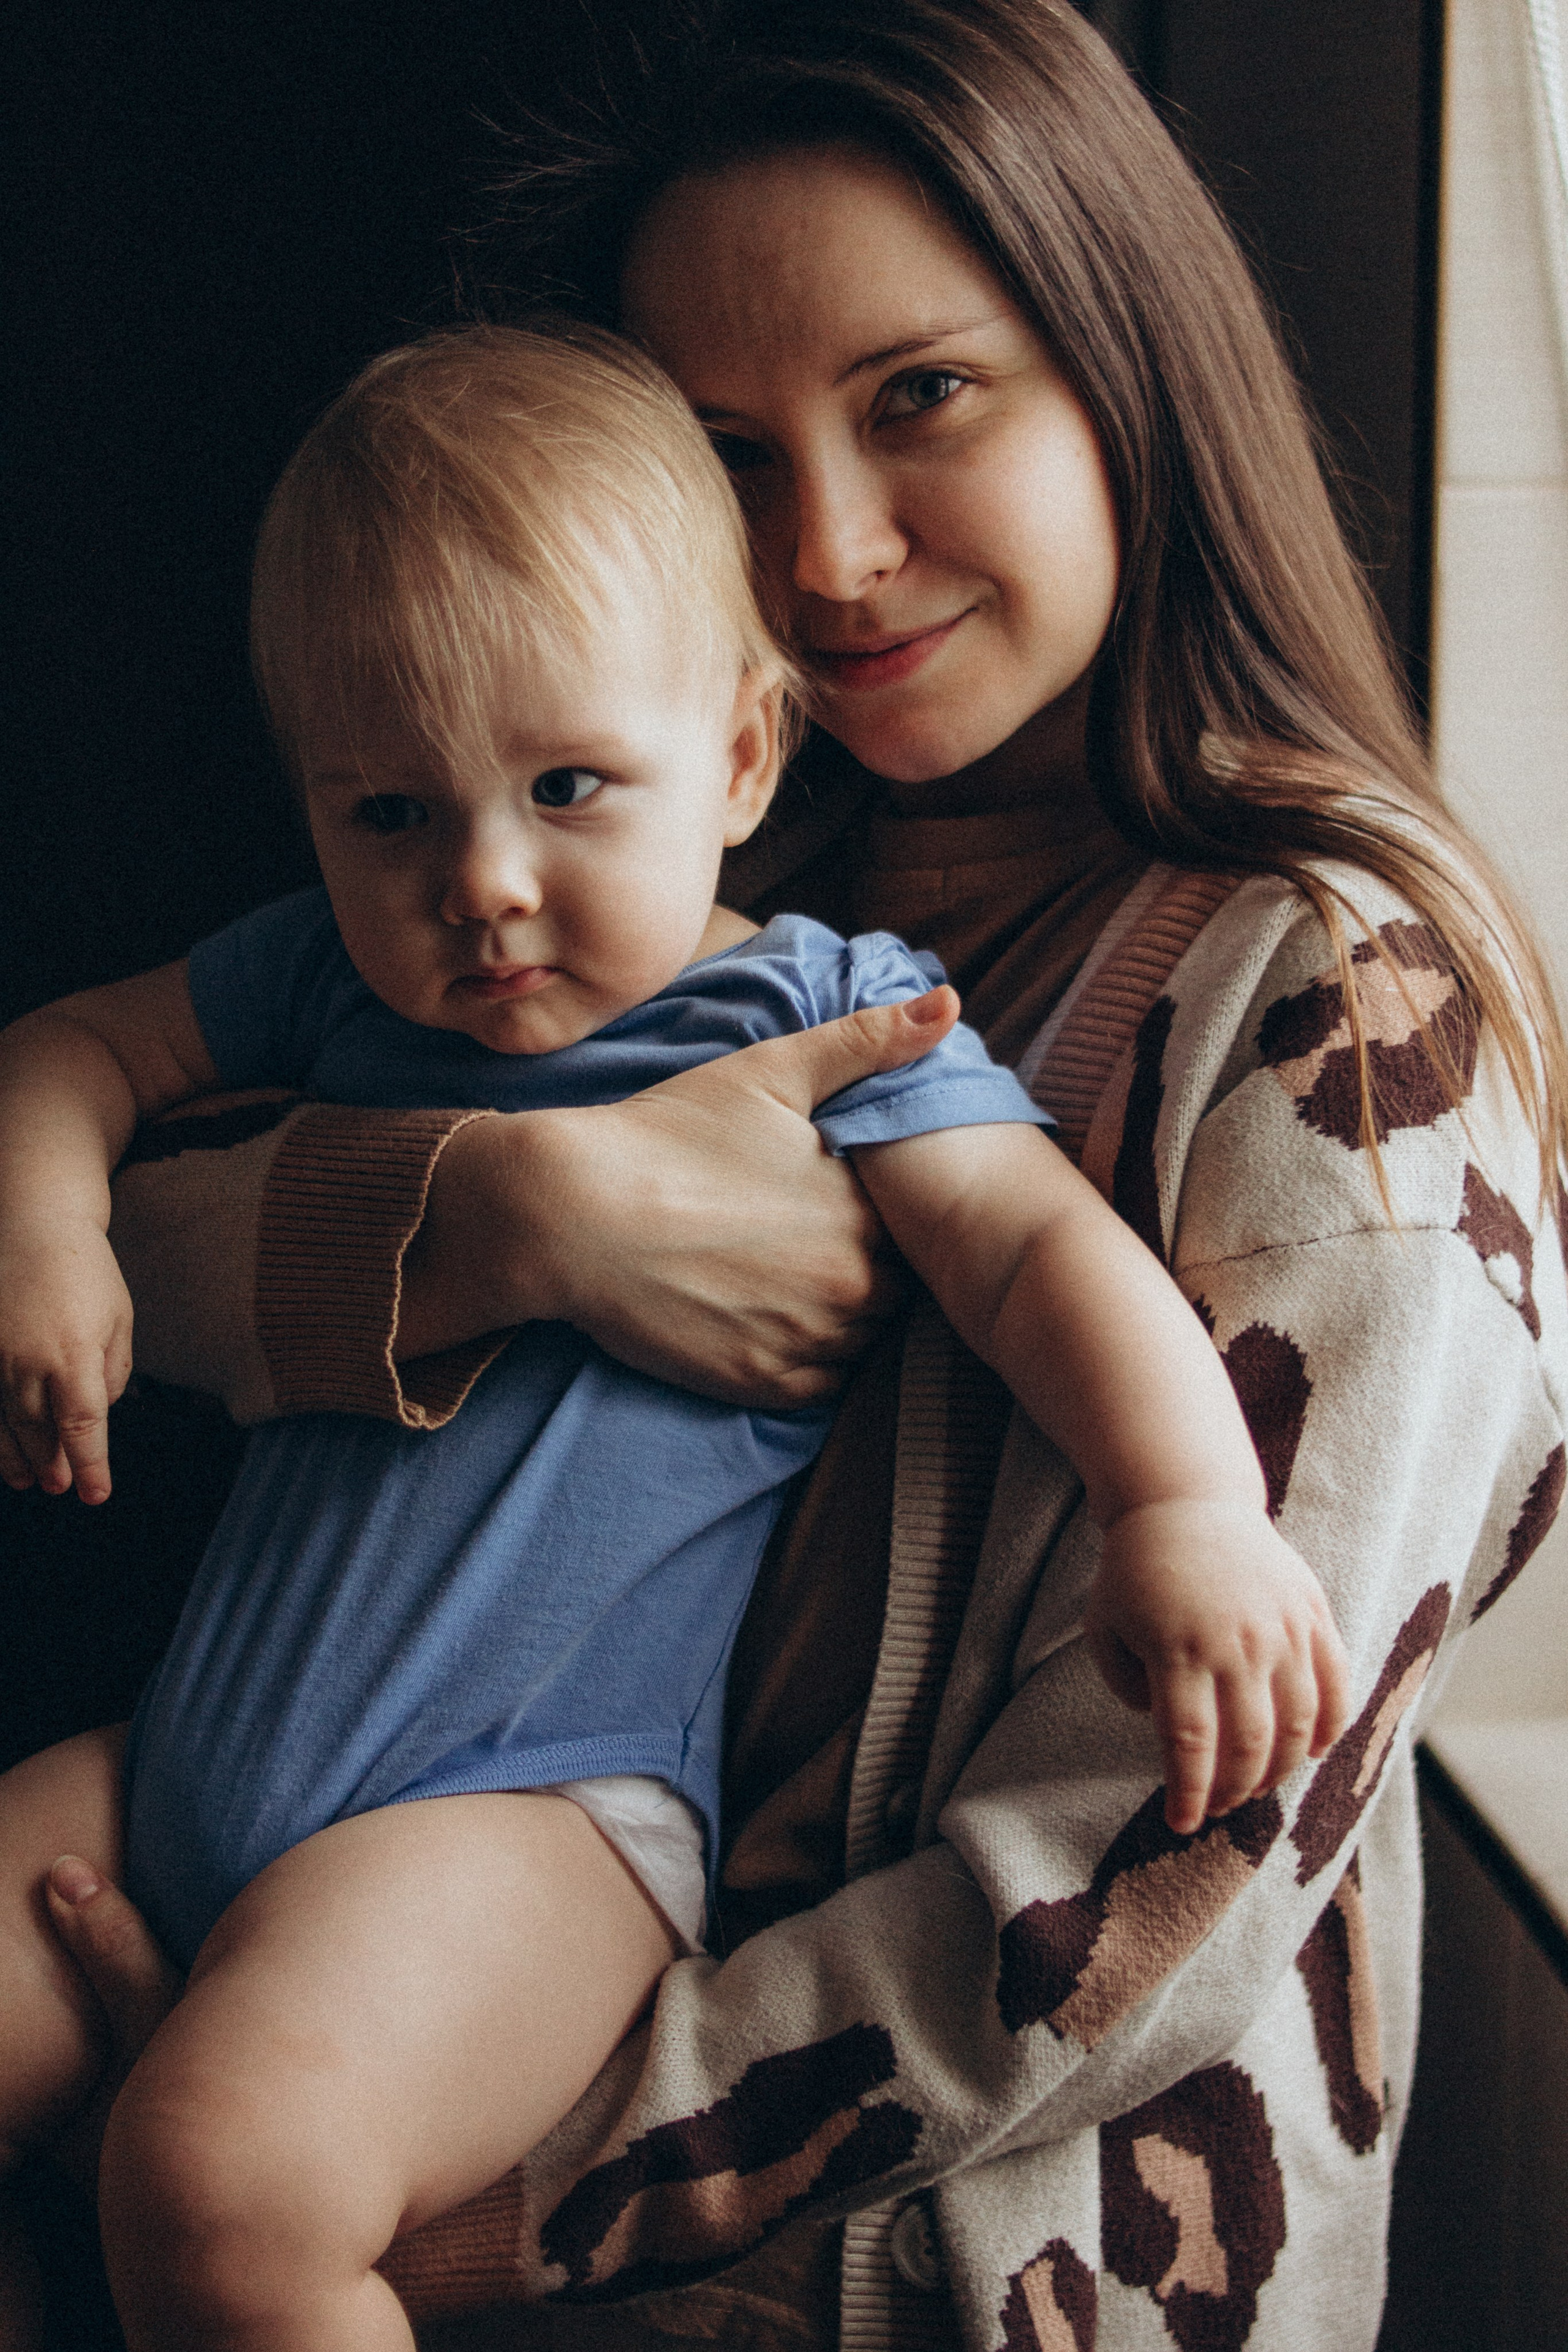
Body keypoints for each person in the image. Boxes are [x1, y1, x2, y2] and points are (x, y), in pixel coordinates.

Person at [10, 3, 1568, 2347]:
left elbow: (1161, 1867)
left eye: (922, 394)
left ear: (1126, 379)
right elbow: (144, 1247)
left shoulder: (1341, 1008)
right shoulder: (668, 860)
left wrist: (399, 2178)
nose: (827, 552)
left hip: (939, 2281)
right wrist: (527, 1225)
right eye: (727, 454)